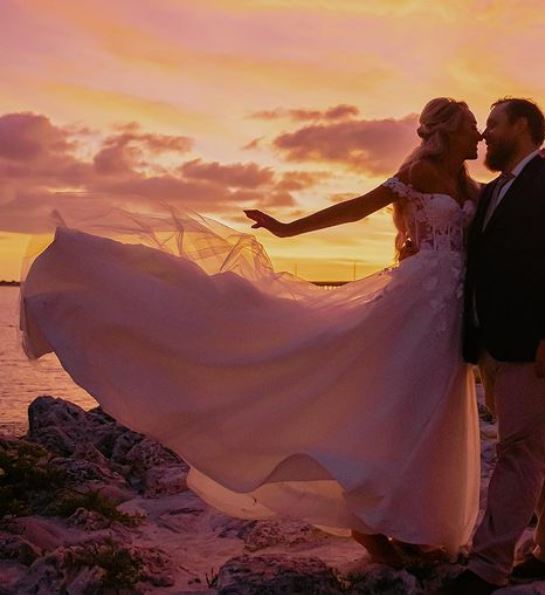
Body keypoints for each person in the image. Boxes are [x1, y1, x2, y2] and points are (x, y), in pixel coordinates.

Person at [18, 97, 483, 566]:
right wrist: (285, 229)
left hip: (449, 314)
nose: (480, 136)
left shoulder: (472, 186)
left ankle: (405, 523)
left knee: (430, 417)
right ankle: (373, 528)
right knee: (388, 412)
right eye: (472, 128)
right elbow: (354, 209)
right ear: (447, 134)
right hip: (410, 308)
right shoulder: (419, 174)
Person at [444, 98, 545, 594]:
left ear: (523, 126)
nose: (486, 135)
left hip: (540, 343)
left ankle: (487, 566)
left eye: (493, 124)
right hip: (496, 342)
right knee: (537, 445)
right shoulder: (491, 193)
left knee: (519, 451)